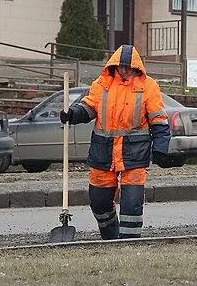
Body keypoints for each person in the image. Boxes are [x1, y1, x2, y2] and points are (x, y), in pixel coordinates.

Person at [60, 45, 169, 240]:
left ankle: (128, 243)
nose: (124, 70)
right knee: (99, 202)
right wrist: (73, 114)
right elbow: (89, 107)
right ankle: (110, 237)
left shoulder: (148, 86)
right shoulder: (102, 84)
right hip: (103, 152)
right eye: (120, 67)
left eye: (127, 67)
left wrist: (161, 148)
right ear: (114, 66)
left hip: (134, 153)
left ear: (136, 67)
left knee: (132, 204)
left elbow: (159, 120)